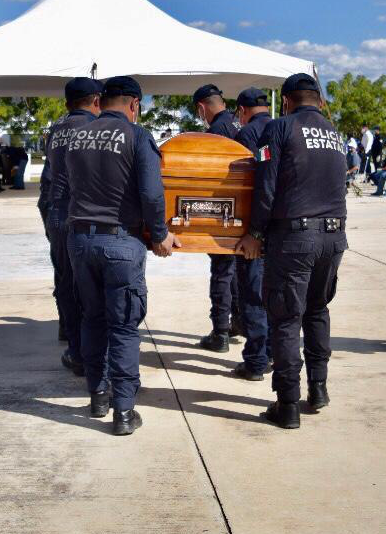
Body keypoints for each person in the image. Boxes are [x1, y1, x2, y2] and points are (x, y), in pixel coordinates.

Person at [65, 76, 180, 436]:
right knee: (124, 326)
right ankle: (124, 411)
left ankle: (98, 396)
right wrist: (160, 235)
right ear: (134, 105)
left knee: (92, 318)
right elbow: (152, 192)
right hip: (120, 242)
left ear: (101, 102)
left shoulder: (76, 135)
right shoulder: (137, 136)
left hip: (80, 241)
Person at [235, 73, 347, 430]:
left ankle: (287, 404)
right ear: (320, 101)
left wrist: (255, 232)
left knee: (285, 319)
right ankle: (318, 388)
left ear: (285, 102)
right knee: (317, 310)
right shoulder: (334, 133)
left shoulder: (280, 128)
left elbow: (266, 185)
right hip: (334, 236)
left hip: (295, 238)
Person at [39, 77, 102, 376]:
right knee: (89, 287)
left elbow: (48, 178)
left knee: (65, 281)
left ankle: (73, 342)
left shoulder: (56, 130)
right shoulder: (96, 128)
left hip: (57, 211)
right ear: (97, 101)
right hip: (85, 214)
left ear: (67, 103)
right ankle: (87, 352)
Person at [191, 83, 243, 351]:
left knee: (222, 271)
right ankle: (239, 321)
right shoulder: (238, 122)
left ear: (202, 108)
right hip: (245, 211)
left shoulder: (215, 133)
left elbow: (206, 176)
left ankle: (220, 332)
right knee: (237, 271)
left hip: (223, 211)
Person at [230, 88, 273, 382]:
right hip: (280, 228)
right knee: (271, 296)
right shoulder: (281, 128)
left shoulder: (247, 134)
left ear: (242, 111)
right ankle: (270, 352)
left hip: (254, 228)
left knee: (253, 296)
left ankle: (256, 361)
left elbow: (246, 183)